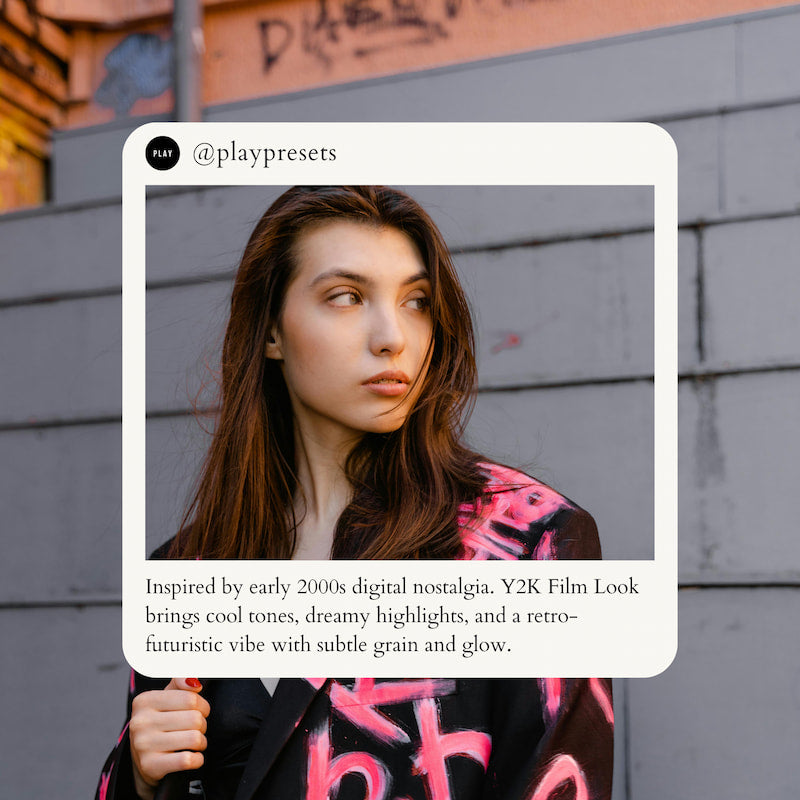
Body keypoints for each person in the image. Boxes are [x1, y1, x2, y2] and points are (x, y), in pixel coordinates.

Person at [96, 186, 614, 800]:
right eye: (346, 297)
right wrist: (139, 780)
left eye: (417, 301)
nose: (392, 335)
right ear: (271, 332)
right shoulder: (187, 569)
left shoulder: (529, 542)